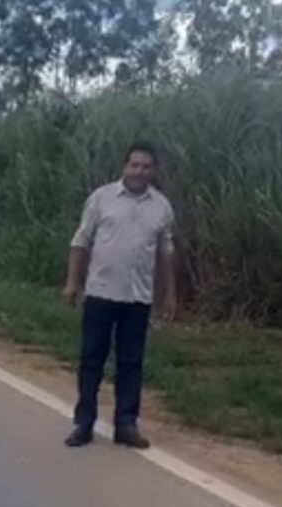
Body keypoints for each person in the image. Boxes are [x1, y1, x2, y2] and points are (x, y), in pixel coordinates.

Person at [62, 141, 177, 450]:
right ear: (124, 166)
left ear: (154, 171)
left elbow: (166, 253)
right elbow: (81, 241)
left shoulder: (161, 207)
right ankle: (83, 423)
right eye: (134, 165)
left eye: (146, 166)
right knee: (92, 360)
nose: (139, 171)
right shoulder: (102, 198)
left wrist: (169, 295)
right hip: (100, 293)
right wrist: (72, 281)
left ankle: (126, 424)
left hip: (138, 298)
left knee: (131, 363)